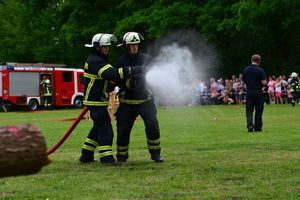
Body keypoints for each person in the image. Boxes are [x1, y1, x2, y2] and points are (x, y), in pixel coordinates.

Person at [79, 33, 141, 164]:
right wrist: (131, 70)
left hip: (96, 100)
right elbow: (111, 74)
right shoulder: (96, 60)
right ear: (97, 47)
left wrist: (111, 85)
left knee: (98, 127)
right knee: (106, 129)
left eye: (108, 47)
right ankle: (107, 158)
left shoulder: (96, 59)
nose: (107, 49)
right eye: (105, 47)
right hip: (95, 100)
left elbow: (105, 78)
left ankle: (86, 155)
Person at [114, 32, 163, 163]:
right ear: (127, 46)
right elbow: (116, 79)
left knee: (152, 125)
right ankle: (121, 156)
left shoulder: (147, 59)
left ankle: (156, 154)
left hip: (146, 100)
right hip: (127, 101)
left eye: (136, 44)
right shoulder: (121, 61)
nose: (134, 47)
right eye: (131, 45)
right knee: (123, 129)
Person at [242, 54, 267, 132]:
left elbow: (244, 80)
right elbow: (264, 83)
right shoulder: (260, 70)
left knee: (249, 110)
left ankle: (250, 125)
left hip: (249, 91)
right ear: (259, 61)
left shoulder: (246, 69)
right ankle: (258, 127)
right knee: (259, 110)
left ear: (251, 60)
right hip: (258, 92)